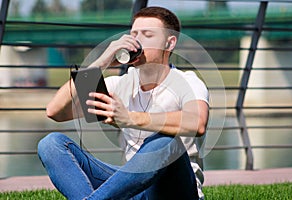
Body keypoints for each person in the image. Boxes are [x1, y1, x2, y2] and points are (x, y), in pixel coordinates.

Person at [38, 6, 209, 200]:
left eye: (147, 35)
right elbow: (56, 111)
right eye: (134, 34)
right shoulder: (119, 85)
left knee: (163, 142)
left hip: (174, 191)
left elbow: (197, 122)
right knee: (51, 144)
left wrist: (129, 118)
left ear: (169, 44)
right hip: (133, 189)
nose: (137, 40)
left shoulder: (187, 82)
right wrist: (102, 61)